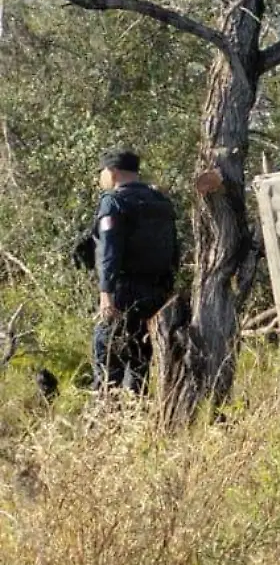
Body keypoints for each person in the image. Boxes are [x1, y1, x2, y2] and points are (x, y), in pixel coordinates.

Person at [71, 150, 178, 392]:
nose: (101, 178)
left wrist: (105, 293)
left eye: (102, 172)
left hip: (123, 292)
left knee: (108, 355)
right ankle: (136, 413)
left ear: (113, 172)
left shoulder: (114, 202)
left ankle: (109, 417)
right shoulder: (160, 200)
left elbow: (110, 252)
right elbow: (174, 249)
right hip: (157, 292)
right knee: (140, 358)